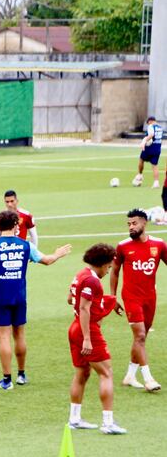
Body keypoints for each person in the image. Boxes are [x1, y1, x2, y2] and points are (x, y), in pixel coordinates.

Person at [0, 210, 71, 389]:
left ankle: (6, 380)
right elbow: (47, 260)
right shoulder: (26, 246)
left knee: (3, 337)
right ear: (15, 226)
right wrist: (58, 253)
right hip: (19, 297)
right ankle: (21, 375)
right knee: (19, 335)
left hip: (1, 297)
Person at [67, 243, 127, 434]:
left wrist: (108, 301)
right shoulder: (92, 281)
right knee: (106, 373)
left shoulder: (80, 274)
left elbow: (71, 299)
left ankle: (74, 419)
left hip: (74, 327)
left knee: (82, 373)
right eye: (109, 266)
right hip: (88, 330)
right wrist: (87, 338)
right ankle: (108, 423)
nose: (109, 270)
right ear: (102, 264)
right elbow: (84, 308)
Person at [110, 209, 164, 392]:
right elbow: (115, 270)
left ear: (144, 223)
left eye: (134, 223)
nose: (131, 227)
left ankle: (130, 375)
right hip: (131, 297)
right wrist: (113, 296)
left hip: (150, 297)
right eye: (129, 224)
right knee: (140, 335)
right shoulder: (123, 246)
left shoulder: (159, 244)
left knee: (141, 337)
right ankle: (148, 379)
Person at [134, 116, 163, 188]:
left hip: (149, 148)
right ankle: (156, 182)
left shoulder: (150, 126)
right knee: (155, 165)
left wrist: (144, 141)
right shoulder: (160, 128)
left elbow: (151, 135)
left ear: (150, 121)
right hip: (157, 148)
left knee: (141, 160)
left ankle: (140, 175)